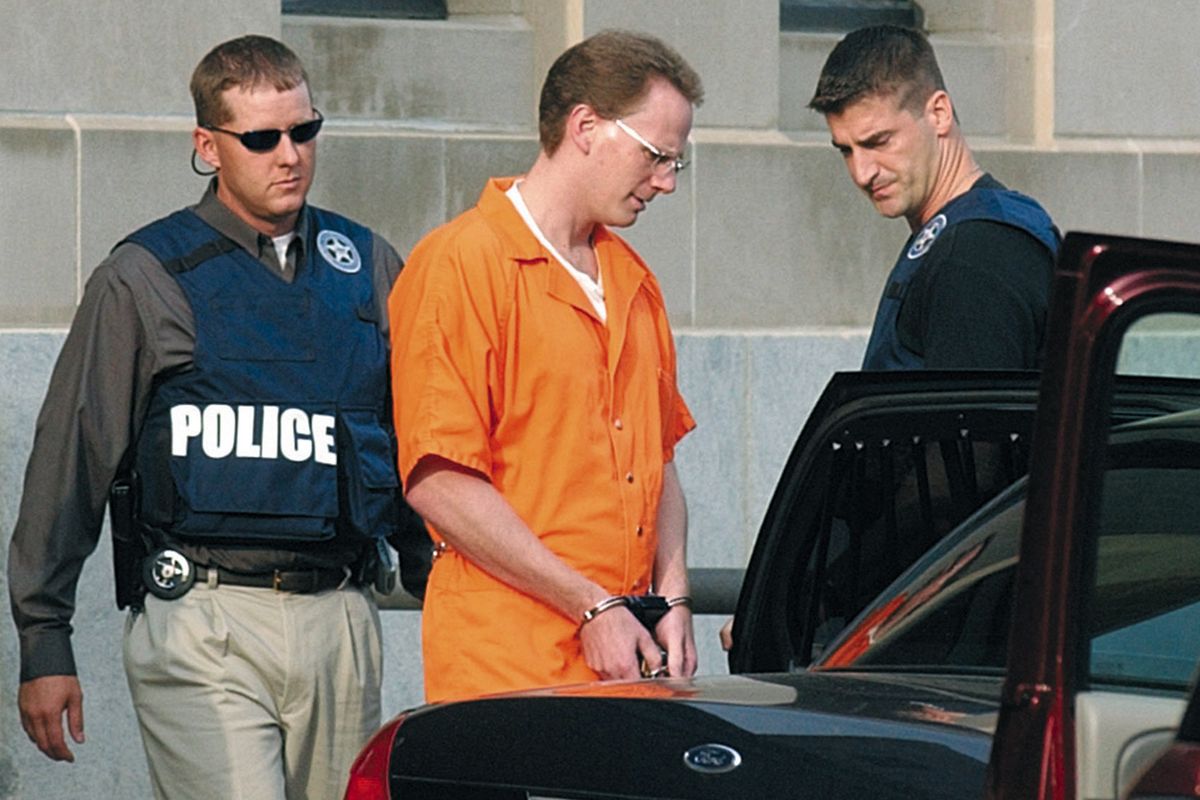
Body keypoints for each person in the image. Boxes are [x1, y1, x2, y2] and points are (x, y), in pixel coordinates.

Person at [8, 35, 421, 800]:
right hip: (205, 621)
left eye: (305, 130)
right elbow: (71, 458)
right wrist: (45, 640)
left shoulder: (367, 264)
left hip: (343, 615)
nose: (289, 154)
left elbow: (415, 439)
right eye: (261, 138)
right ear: (208, 146)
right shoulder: (146, 274)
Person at [389, 29, 703, 703]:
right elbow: (438, 482)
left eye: (678, 162)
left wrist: (674, 597)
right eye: (655, 156)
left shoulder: (633, 281)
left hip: (627, 667)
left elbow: (661, 464)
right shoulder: (461, 263)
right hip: (505, 672)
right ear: (585, 125)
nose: (667, 182)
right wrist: (589, 604)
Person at [809, 24, 1060, 370]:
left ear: (938, 113)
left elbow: (968, 421)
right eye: (846, 151)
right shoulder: (965, 234)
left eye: (877, 142)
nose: (862, 173)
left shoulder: (977, 250)